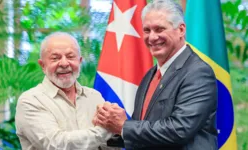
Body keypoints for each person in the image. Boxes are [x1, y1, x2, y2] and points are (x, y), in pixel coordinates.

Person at [93, 0, 218, 150]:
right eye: (147, 30)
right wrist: (108, 128)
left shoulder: (198, 72)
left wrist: (124, 125)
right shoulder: (150, 76)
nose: (152, 37)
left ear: (181, 30)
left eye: (159, 29)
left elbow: (180, 129)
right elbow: (144, 130)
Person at [15, 32, 119, 150]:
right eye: (55, 58)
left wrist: (118, 129)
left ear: (80, 61)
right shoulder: (30, 100)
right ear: (42, 65)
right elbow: (56, 144)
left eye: (70, 57)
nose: (64, 63)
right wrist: (107, 130)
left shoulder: (94, 97)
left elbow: (108, 146)